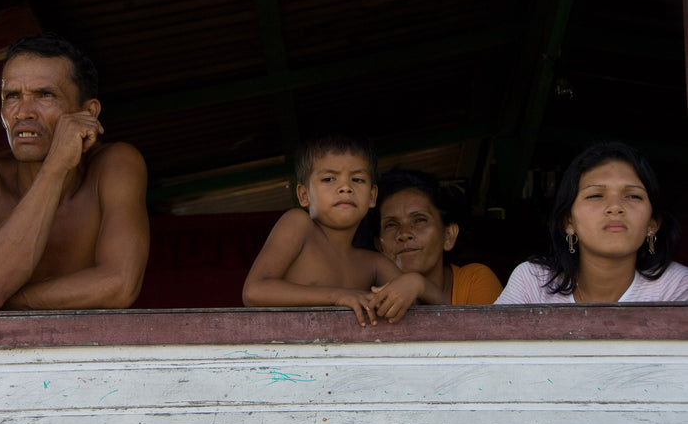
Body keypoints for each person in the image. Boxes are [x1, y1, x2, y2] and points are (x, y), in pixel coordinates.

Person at [0, 33, 150, 310]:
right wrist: (55, 167)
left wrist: (2, 300)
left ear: (88, 113)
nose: (23, 112)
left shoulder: (114, 165)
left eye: (45, 95)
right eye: (12, 96)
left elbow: (119, 286)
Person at [242, 134, 447, 326]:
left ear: (372, 196)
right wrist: (337, 296)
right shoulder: (299, 224)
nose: (345, 187)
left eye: (357, 179)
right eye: (329, 179)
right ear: (304, 195)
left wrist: (416, 282)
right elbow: (254, 292)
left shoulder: (372, 263)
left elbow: (441, 310)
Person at [495, 141, 688, 304]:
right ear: (568, 222)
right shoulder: (534, 283)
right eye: (596, 195)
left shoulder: (676, 287)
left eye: (633, 196)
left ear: (652, 223)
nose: (615, 207)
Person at [370, 168, 503, 305]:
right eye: (391, 225)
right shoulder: (369, 293)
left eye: (420, 220)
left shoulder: (474, 280)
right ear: (379, 245)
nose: (404, 234)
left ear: (448, 236)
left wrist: (422, 287)